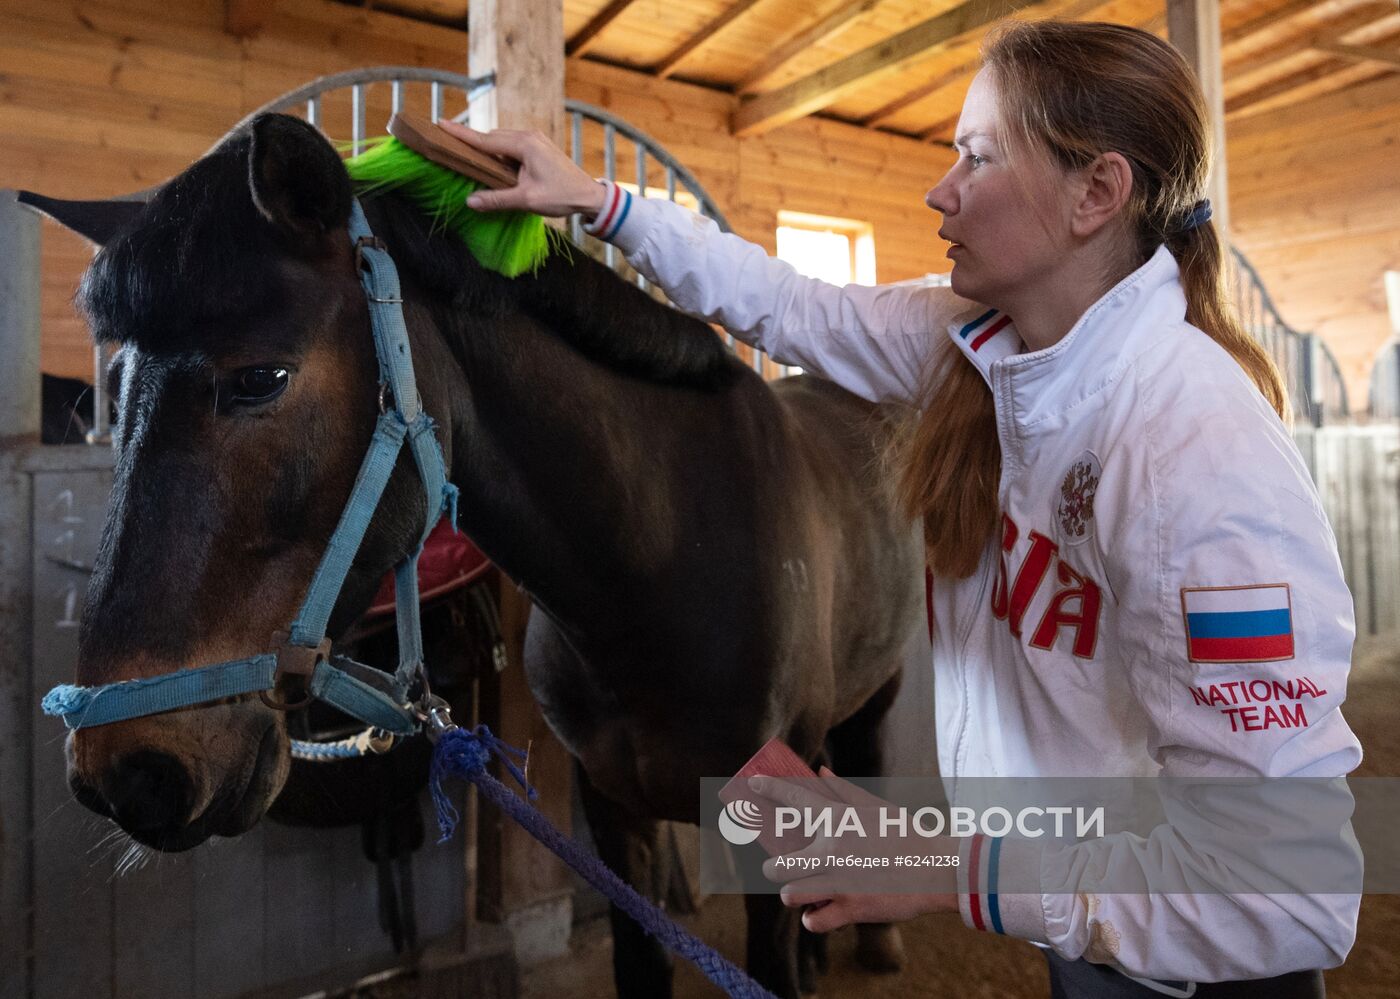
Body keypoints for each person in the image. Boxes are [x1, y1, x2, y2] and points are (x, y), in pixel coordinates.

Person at [440, 19, 1362, 998]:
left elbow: (1283, 895)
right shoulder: (981, 345)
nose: (939, 190)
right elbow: (788, 307)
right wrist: (599, 201)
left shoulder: (1200, 458)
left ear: (1095, 193)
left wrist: (940, 865)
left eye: (975, 157)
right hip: (1089, 918)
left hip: (1199, 962)